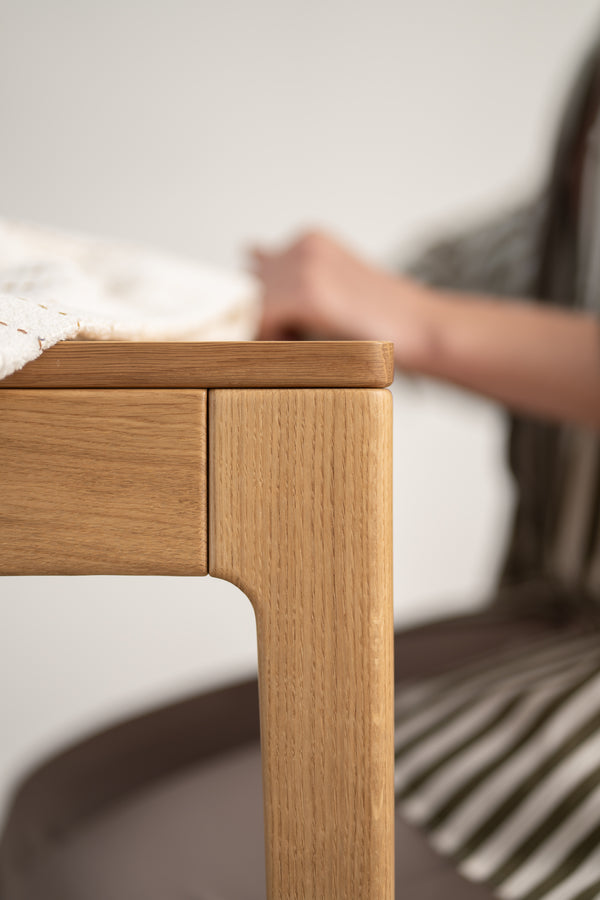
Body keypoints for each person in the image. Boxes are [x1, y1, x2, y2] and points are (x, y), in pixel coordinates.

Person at [2, 32, 600, 900]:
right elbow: (517, 264)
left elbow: (415, 307)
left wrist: (417, 318)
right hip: (557, 611)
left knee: (98, 879)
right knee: (49, 805)